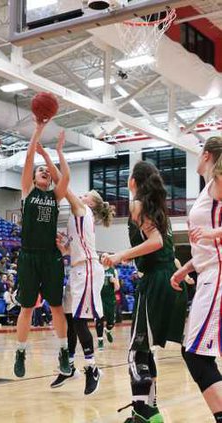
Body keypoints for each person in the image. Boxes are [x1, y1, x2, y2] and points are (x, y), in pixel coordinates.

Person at [102, 161, 188, 423]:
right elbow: (167, 250)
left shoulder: (138, 205)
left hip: (155, 284)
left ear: (133, 182)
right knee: (145, 351)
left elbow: (156, 242)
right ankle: (149, 410)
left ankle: (143, 412)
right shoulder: (160, 209)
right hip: (169, 280)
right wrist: (181, 271)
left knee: (136, 352)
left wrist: (120, 256)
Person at [36, 139, 115, 395]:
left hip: (89, 269)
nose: (80, 196)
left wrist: (54, 154)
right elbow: (70, 249)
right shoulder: (76, 217)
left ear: (90, 203)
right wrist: (63, 247)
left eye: (85, 195)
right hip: (77, 268)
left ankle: (92, 367)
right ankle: (69, 365)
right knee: (69, 319)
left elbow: (61, 181)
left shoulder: (83, 211)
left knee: (80, 321)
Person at [13, 121, 71, 379]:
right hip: (28, 256)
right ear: (34, 178)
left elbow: (66, 177)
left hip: (51, 256)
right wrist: (37, 128)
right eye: (41, 171)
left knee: (57, 307)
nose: (44, 173)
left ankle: (63, 351)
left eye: (46, 171)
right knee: (27, 308)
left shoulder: (54, 196)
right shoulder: (28, 192)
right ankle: (21, 351)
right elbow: (27, 159)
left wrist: (54, 153)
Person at [171, 136, 222, 423]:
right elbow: (207, 248)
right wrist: (185, 269)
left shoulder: (217, 184)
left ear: (205, 155)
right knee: (199, 354)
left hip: (217, 277)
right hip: (207, 273)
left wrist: (214, 234)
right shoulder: (207, 190)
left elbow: (213, 241)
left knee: (196, 355)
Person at [96, 254, 119, 350]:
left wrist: (114, 282)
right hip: (99, 297)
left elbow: (117, 288)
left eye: (106, 256)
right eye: (102, 256)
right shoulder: (97, 270)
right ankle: (100, 340)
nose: (104, 258)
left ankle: (108, 330)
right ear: (100, 259)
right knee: (99, 319)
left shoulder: (113, 270)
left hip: (110, 298)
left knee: (111, 322)